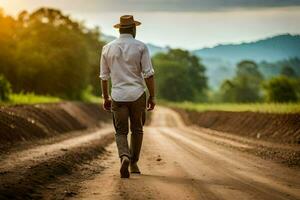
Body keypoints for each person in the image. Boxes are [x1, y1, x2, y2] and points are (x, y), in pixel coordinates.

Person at [99, 15, 156, 178]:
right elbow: (148, 74)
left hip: (117, 95)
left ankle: (124, 156)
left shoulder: (107, 48)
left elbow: (104, 76)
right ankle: (133, 163)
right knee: (137, 130)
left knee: (120, 131)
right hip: (137, 95)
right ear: (133, 29)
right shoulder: (141, 47)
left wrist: (105, 97)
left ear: (119, 29)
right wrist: (152, 96)